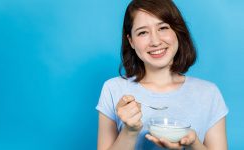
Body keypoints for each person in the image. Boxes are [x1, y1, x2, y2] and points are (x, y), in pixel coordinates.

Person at [96, 0, 228, 149]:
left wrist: (193, 144)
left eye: (163, 28)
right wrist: (130, 131)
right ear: (131, 41)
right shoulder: (113, 89)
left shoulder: (209, 94)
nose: (155, 41)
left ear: (177, 31)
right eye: (143, 32)